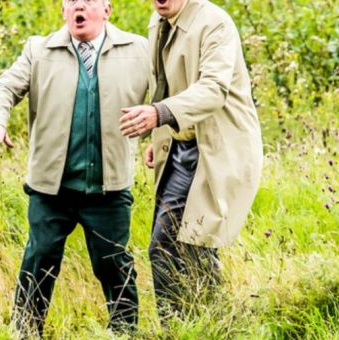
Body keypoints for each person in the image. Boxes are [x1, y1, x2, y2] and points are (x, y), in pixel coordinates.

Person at [0, 0, 149, 335]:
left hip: (108, 187)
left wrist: (160, 139)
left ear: (107, 9)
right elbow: (3, 89)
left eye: (87, 1)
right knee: (39, 260)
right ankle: (26, 331)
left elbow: (163, 97)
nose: (78, 7)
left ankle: (124, 333)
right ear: (63, 11)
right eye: (71, 2)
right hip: (50, 189)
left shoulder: (138, 50)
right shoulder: (39, 51)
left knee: (113, 264)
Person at [118, 0, 263, 319]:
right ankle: (190, 326)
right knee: (175, 247)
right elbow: (164, 87)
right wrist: (161, 136)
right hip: (181, 148)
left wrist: (159, 115)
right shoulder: (158, 22)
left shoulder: (215, 23)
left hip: (218, 149)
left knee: (187, 245)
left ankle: (207, 325)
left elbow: (213, 90)